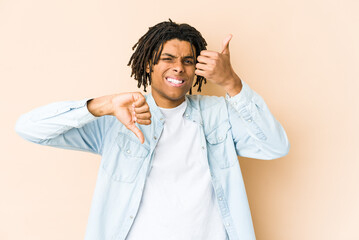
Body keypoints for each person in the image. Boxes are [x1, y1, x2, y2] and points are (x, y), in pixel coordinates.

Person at [15, 19, 290, 240]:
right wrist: (102, 105)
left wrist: (232, 82)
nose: (178, 68)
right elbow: (29, 128)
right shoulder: (119, 115)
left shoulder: (217, 114)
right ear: (148, 64)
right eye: (167, 59)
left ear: (197, 69)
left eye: (188, 61)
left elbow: (276, 146)